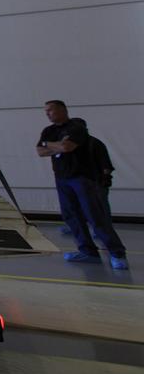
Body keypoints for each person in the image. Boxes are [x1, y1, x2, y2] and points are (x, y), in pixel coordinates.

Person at [36, 100, 128, 270]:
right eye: (46, 111)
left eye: (51, 110)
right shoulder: (49, 131)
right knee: (71, 216)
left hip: (82, 179)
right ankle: (87, 251)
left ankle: (117, 253)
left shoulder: (76, 128)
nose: (47, 113)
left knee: (95, 216)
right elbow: (40, 151)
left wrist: (49, 145)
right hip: (62, 179)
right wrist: (54, 146)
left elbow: (67, 147)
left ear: (62, 110)